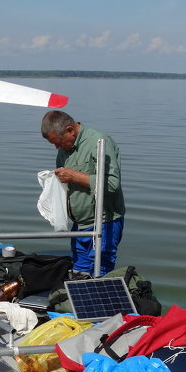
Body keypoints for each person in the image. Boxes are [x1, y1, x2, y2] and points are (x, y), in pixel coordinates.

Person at [40, 110, 126, 277]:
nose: (57, 147)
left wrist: (74, 176)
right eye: (54, 144)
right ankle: (78, 301)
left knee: (100, 271)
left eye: (58, 142)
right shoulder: (64, 148)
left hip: (104, 221)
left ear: (70, 130)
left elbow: (112, 184)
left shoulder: (99, 142)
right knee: (79, 271)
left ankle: (100, 301)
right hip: (80, 224)